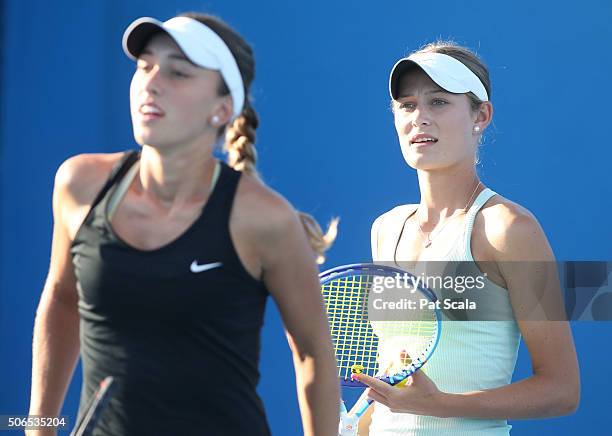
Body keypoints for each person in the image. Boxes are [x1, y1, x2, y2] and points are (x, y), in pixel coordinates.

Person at [27, 13, 339, 436]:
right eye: (144, 66)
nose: (151, 82)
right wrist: (38, 427)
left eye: (178, 73)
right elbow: (63, 299)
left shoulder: (265, 219)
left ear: (221, 109)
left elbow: (313, 351)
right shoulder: (78, 184)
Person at [350, 42, 580, 435]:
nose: (419, 117)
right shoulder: (385, 229)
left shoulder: (509, 229)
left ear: (481, 115)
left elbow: (561, 390)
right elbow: (398, 375)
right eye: (407, 105)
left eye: (438, 102)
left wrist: (440, 406)